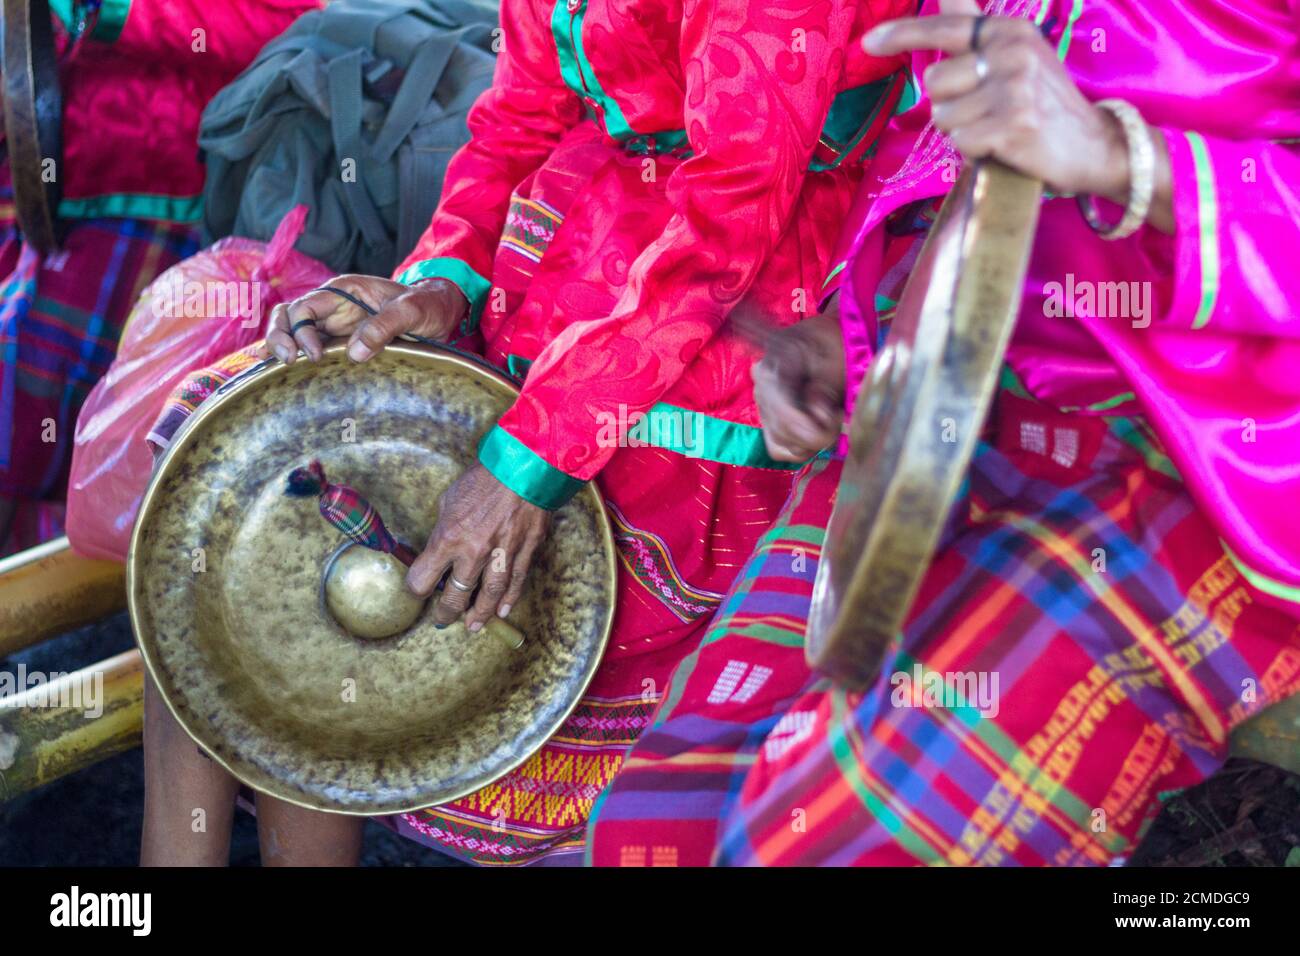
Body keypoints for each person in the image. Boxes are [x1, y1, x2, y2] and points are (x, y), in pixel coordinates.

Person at [140, 0, 915, 865]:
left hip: (734, 319)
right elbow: (517, 115)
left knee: (489, 615)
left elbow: (730, 211)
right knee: (244, 468)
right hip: (565, 255)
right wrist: (441, 282)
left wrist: (531, 462)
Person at [586, 0, 1300, 865]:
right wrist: (862, 328)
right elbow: (950, 162)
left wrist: (1123, 161)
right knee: (654, 828)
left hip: (1213, 454)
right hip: (957, 412)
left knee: (832, 844)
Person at [0, 0, 320, 555]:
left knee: (106, 444)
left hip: (162, 208)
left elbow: (298, 24)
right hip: (26, 201)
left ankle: (83, 598)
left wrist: (107, 11)